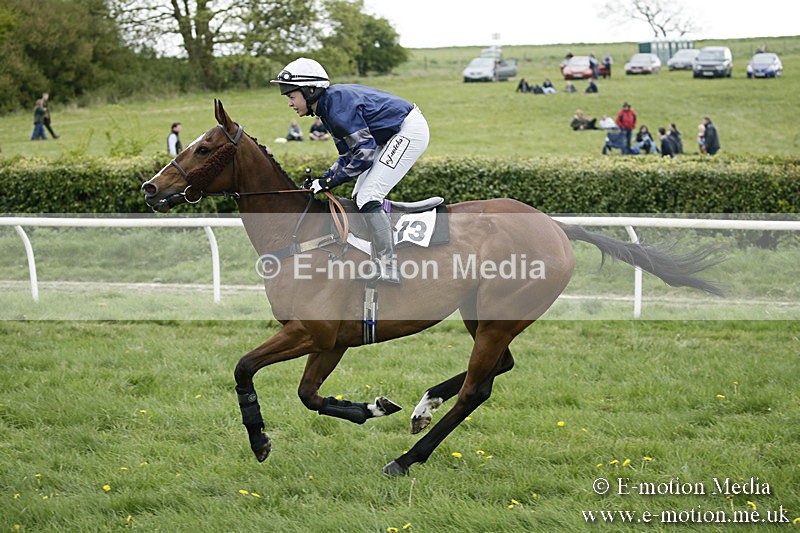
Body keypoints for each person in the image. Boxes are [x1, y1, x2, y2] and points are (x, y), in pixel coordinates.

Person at [271, 57, 430, 284]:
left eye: (292, 96)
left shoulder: (336, 109)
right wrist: (324, 178)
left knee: (368, 196)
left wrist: (329, 183)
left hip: (408, 130)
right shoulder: (326, 108)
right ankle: (378, 255)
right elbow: (348, 155)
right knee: (359, 198)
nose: (290, 103)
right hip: (389, 134)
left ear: (311, 90)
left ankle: (388, 267)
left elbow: (363, 157)